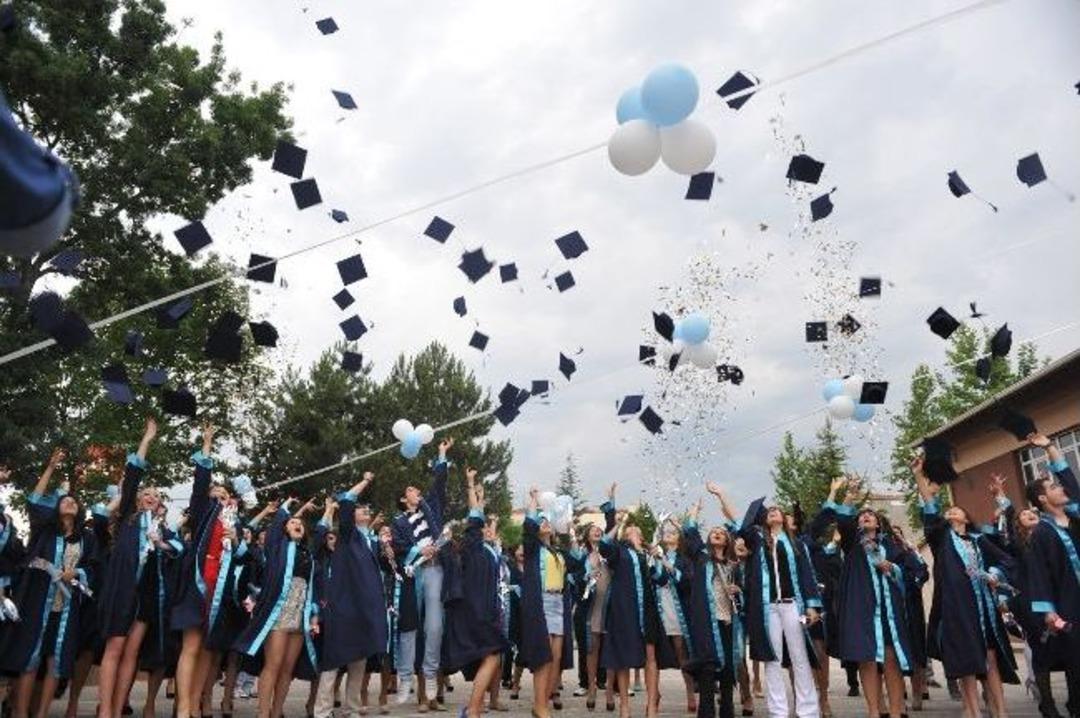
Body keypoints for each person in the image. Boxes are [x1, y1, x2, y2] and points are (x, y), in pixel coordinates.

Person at [913, 453, 1018, 718]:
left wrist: (994, 573)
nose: (950, 511)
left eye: (955, 509)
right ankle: (972, 710)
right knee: (967, 662)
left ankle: (1000, 710)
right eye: (948, 511)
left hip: (985, 608)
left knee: (991, 659)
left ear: (966, 517)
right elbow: (930, 508)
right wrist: (918, 476)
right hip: (958, 609)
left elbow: (1006, 556)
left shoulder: (979, 538)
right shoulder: (942, 538)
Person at [0, 448, 98, 718]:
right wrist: (51, 467)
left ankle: (42, 713)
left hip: (65, 609)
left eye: (73, 502)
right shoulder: (44, 529)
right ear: (56, 508)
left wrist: (76, 573)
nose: (69, 502)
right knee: (29, 658)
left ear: (78, 511)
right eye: (64, 500)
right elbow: (33, 500)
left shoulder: (86, 539)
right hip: (35, 603)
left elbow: (92, 567)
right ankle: (20, 713)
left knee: (55, 662)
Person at [170, 425, 251, 718]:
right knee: (191, 644)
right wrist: (206, 444)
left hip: (222, 588)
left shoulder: (233, 523)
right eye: (214, 494)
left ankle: (195, 704)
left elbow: (244, 558)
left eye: (223, 494)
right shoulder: (203, 512)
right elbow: (201, 480)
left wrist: (238, 539)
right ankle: (182, 708)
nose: (219, 497)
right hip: (199, 579)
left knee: (208, 647)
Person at [817, 475, 913, 718]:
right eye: (861, 516)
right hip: (862, 611)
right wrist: (850, 492)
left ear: (879, 524)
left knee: (892, 661)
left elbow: (912, 572)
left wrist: (893, 569)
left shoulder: (891, 546)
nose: (865, 516)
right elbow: (843, 518)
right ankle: (872, 712)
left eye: (870, 515)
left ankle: (894, 712)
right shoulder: (853, 544)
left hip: (889, 612)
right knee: (866, 660)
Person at [96, 418, 167, 718]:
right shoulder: (127, 516)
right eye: (147, 494)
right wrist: (147, 439)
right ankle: (106, 711)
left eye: (157, 496)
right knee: (115, 647)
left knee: (131, 652)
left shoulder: (162, 530)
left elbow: (174, 553)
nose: (151, 497)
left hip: (145, 595)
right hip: (121, 588)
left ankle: (119, 705)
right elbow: (134, 471)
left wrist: (163, 544)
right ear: (138, 499)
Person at [734, 496, 822, 718]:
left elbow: (807, 575)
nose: (773, 512)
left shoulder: (796, 543)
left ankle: (808, 711)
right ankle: (778, 711)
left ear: (784, 518)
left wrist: (812, 606)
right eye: (769, 511)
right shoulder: (757, 541)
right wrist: (754, 505)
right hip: (768, 608)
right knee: (771, 658)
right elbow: (743, 527)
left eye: (777, 510)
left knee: (800, 657)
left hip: (793, 606)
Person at [234, 498, 320, 718]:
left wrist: (312, 616)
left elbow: (312, 587)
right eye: (291, 522)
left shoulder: (308, 553)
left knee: (287, 670)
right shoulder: (276, 548)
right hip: (279, 614)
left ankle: (277, 711)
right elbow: (275, 528)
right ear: (283, 529)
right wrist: (286, 506)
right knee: (273, 665)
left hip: (299, 615)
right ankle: (263, 713)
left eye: (299, 523)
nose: (296, 524)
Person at [314, 471, 388, 718]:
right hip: (345, 608)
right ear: (350, 516)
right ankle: (323, 712)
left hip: (366, 610)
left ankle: (352, 709)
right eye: (360, 508)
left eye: (367, 509)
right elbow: (346, 498)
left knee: (359, 661)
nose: (365, 510)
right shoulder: (348, 535)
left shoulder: (371, 541)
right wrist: (366, 481)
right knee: (334, 660)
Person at [441, 468, 510, 718]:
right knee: (493, 654)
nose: (482, 529)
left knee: (490, 656)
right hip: (475, 611)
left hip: (483, 610)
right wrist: (470, 484)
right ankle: (473, 709)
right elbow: (475, 516)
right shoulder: (474, 548)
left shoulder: (488, 552)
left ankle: (475, 707)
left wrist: (480, 495)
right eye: (478, 528)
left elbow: (477, 515)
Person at [391, 438, 453, 712]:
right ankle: (418, 694)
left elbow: (439, 485)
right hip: (413, 576)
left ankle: (431, 686)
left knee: (435, 628)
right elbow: (399, 547)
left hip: (435, 572)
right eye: (411, 490)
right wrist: (420, 549)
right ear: (404, 499)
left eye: (418, 489)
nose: (417, 492)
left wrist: (441, 453)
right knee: (411, 630)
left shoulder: (431, 510)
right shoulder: (398, 522)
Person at [598, 490, 672, 718]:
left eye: (637, 532)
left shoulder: (646, 557)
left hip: (647, 610)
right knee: (622, 657)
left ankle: (651, 705)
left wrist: (658, 558)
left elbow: (662, 579)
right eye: (630, 531)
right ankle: (625, 706)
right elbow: (603, 544)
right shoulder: (619, 552)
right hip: (624, 609)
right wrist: (617, 524)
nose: (634, 533)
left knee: (651, 656)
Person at [1023, 432, 1080, 717]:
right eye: (1053, 487)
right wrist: (1048, 611)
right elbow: (1039, 574)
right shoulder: (1042, 533)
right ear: (1044, 499)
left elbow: (1072, 483)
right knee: (1076, 659)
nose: (1061, 488)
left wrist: (1050, 448)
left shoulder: (1077, 516)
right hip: (1069, 603)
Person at [518, 486, 576, 718]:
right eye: (540, 521)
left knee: (556, 658)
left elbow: (579, 563)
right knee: (542, 657)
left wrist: (571, 533)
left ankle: (543, 701)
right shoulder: (533, 550)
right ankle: (540, 704)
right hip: (540, 603)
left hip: (558, 605)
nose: (543, 522)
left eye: (546, 520)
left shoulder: (558, 552)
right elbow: (528, 528)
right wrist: (533, 502)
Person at [683, 489, 740, 718]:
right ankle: (706, 713)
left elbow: (742, 595)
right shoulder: (702, 558)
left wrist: (738, 590)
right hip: (708, 622)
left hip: (727, 621)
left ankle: (727, 711)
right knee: (707, 669)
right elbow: (690, 531)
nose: (717, 533)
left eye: (721, 532)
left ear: (727, 540)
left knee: (727, 670)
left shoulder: (733, 565)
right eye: (714, 531)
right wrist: (695, 511)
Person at [652, 516, 696, 713]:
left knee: (682, 654)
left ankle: (690, 693)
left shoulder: (684, 559)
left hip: (677, 612)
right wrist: (655, 562)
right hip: (660, 609)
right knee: (655, 657)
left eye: (673, 532)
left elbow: (685, 581)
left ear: (679, 539)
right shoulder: (657, 556)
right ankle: (655, 695)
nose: (668, 534)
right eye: (666, 532)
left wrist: (667, 565)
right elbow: (658, 580)